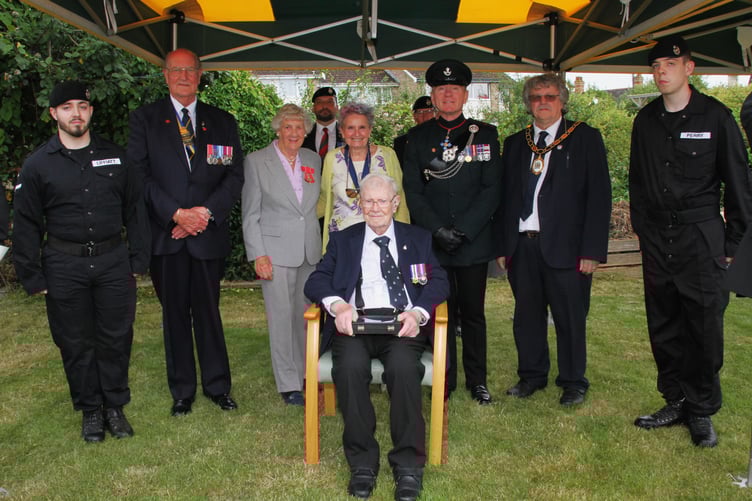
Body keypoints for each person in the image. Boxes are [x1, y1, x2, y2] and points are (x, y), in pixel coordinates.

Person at [629, 35, 752, 447]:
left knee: (702, 326)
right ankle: (675, 399)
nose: (661, 71)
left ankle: (701, 410)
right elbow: (638, 184)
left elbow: (738, 185)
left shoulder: (716, 117)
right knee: (664, 323)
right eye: (656, 65)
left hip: (701, 237)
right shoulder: (645, 121)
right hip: (658, 238)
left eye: (670, 63)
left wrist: (734, 244)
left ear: (689, 69)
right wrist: (644, 233)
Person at [12, 81, 149, 442]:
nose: (77, 113)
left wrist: (138, 258)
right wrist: (33, 276)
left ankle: (115, 408)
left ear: (91, 111)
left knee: (116, 338)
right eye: (68, 107)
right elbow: (25, 223)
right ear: (54, 114)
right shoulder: (38, 164)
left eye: (83, 106)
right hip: (63, 265)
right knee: (75, 342)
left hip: (113, 262)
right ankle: (90, 410)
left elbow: (135, 209)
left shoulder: (116, 157)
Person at [304, 173, 449, 501]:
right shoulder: (345, 239)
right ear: (360, 204)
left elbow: (439, 281)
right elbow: (316, 280)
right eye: (368, 201)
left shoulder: (418, 238)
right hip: (354, 325)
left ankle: (409, 465)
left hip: (401, 324)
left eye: (382, 201)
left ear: (395, 204)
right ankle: (362, 464)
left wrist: (418, 313)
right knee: (350, 368)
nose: (375, 207)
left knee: (403, 368)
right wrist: (338, 305)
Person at [127, 48, 244, 417]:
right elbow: (138, 177)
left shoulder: (222, 121)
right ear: (165, 75)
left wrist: (203, 214)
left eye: (189, 70)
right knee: (174, 314)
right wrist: (176, 214)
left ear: (200, 74)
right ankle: (182, 391)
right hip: (167, 236)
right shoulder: (144, 120)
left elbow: (233, 176)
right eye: (176, 70)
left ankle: (217, 387)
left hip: (207, 235)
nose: (183, 76)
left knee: (209, 312)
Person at [495, 73, 612, 406]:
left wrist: (592, 251)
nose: (542, 102)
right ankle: (531, 376)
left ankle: (573, 381)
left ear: (562, 100)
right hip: (524, 244)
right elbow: (506, 198)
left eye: (549, 96)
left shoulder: (585, 138)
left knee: (570, 318)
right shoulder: (516, 143)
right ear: (528, 103)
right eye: (535, 97)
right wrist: (505, 246)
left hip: (568, 247)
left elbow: (599, 197)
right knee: (527, 316)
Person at [401, 59, 501, 404]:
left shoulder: (484, 134)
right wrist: (438, 230)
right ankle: (444, 378)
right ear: (432, 95)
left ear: (465, 94)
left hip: (471, 241)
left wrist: (464, 230)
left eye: (454, 89)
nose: (447, 94)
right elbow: (412, 191)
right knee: (437, 312)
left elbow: (492, 189)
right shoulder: (416, 138)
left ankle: (477, 381)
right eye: (441, 89)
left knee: (473, 314)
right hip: (433, 243)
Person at [241, 104, 322, 406]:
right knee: (281, 319)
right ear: (278, 129)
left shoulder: (313, 159)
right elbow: (250, 214)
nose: (294, 133)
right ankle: (288, 383)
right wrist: (257, 254)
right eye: (288, 127)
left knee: (305, 318)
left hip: (309, 251)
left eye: (299, 127)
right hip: (274, 253)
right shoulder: (257, 161)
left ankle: (305, 373)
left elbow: (314, 207)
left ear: (306, 131)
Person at [318, 102, 409, 250]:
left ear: (370, 130)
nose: (356, 134)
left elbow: (400, 199)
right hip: (342, 239)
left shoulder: (387, 155)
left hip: (380, 237)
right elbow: (324, 198)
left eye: (362, 127)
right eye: (350, 128)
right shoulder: (331, 158)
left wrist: (405, 237)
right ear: (341, 131)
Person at [302, 86, 343, 164]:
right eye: (319, 102)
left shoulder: (348, 134)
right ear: (313, 108)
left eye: (329, 102)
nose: (324, 106)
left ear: (337, 107)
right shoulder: (303, 135)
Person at [393, 96, 436, 165]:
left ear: (436, 114)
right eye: (420, 112)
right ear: (414, 116)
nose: (425, 116)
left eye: (429, 111)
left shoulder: (444, 137)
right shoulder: (401, 142)